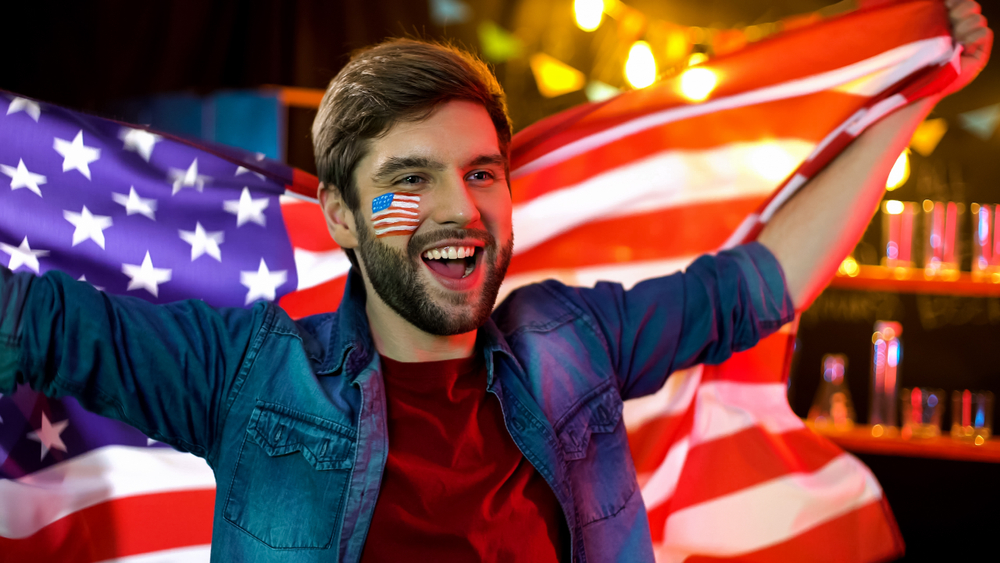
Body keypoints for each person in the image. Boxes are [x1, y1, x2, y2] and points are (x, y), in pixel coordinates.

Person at [0, 0, 991, 561]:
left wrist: (914, 89)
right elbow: (37, 319)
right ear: (340, 216)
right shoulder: (248, 370)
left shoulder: (572, 340)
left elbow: (761, 283)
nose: (458, 211)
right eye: (409, 182)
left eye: (481, 174)